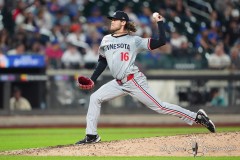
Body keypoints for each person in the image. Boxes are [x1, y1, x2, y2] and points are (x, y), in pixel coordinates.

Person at [75, 11, 216, 144]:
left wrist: (160, 22)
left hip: (133, 80)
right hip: (118, 83)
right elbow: (103, 61)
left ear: (123, 22)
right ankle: (92, 135)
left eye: (115, 20)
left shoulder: (134, 40)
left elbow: (161, 41)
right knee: (95, 98)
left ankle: (196, 117)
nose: (112, 22)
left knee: (160, 107)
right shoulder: (106, 39)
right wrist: (93, 78)